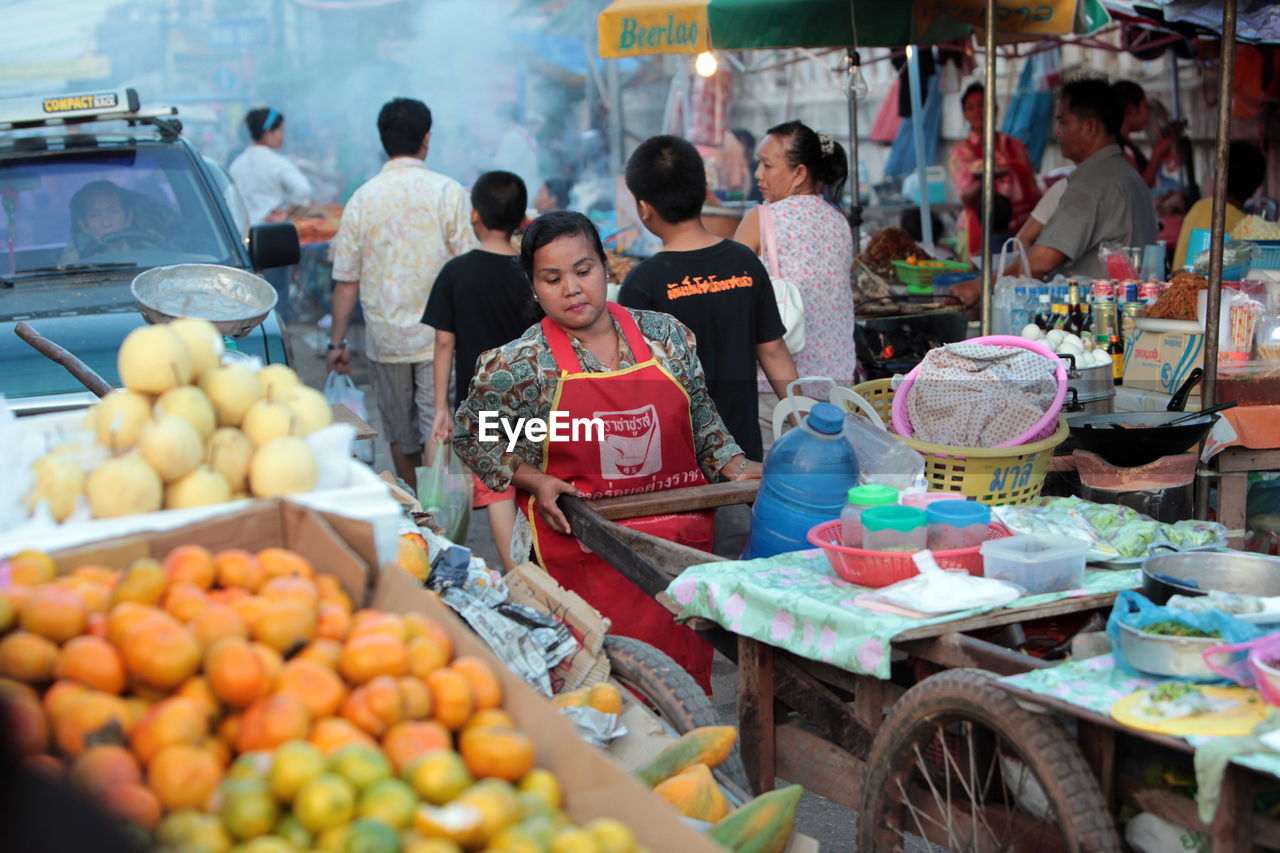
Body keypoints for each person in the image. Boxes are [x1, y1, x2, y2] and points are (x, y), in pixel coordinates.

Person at [452, 211, 762, 689]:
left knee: (680, 689)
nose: (572, 289)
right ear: (534, 288)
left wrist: (739, 467)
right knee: (599, 690)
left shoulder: (666, 337)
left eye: (584, 270)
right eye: (552, 279)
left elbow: (700, 418)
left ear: (605, 268)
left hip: (673, 548)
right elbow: (478, 434)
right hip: (581, 553)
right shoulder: (520, 364)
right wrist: (533, 478)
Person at [618, 135, 797, 464]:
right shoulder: (744, 262)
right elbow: (773, 350)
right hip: (743, 453)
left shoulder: (643, 282)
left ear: (644, 208)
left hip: (675, 461)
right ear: (704, 192)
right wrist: (804, 424)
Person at [328, 97, 477, 489]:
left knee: (400, 431)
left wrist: (336, 343)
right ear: (426, 139)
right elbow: (468, 265)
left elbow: (346, 280)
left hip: (385, 339)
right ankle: (439, 518)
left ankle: (417, 512)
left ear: (383, 141)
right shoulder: (449, 193)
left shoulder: (362, 198)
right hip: (439, 338)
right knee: (437, 424)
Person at [957, 78, 1157, 300]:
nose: (1058, 133)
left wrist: (980, 287)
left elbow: (1042, 260)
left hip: (1095, 315)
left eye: (1064, 123)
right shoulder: (1128, 175)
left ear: (1090, 127)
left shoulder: (1091, 184)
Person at [423, 171, 532, 572]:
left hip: (484, 405)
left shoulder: (456, 272)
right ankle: (539, 569)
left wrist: (440, 408)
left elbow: (444, 343)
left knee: (499, 488)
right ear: (522, 219)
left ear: (475, 216)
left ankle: (517, 574)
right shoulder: (532, 271)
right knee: (532, 477)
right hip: (533, 398)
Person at [733, 120, 857, 445]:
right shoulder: (839, 221)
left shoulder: (761, 219)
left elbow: (728, 292)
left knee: (777, 487)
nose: (758, 174)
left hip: (777, 391)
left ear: (799, 173)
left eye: (767, 164)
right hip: (837, 387)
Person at [946, 83, 1041, 259]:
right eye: (971, 107)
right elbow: (966, 196)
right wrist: (986, 177)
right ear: (965, 114)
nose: (978, 111)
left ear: (995, 108)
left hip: (1023, 227)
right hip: (981, 230)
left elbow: (1033, 187)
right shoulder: (961, 151)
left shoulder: (1016, 146)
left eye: (983, 104)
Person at [1173, 141, 1266, 270]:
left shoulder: (1199, 206)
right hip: (1203, 288)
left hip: (1176, 286)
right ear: (1256, 186)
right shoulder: (1244, 225)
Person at [228, 107, 312, 224]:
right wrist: (286, 213)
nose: (283, 137)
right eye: (281, 131)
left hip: (244, 233)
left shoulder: (236, 165)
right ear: (268, 133)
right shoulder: (277, 162)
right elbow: (303, 190)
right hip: (272, 231)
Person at [61, 180, 168, 261]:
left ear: (128, 218)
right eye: (95, 215)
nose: (106, 223)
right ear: (83, 225)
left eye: (113, 211)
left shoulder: (149, 246)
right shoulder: (75, 259)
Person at [1113, 81, 1181, 190]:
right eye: (1145, 107)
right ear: (1131, 109)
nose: (1147, 114)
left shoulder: (1125, 145)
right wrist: (1157, 154)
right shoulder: (1117, 146)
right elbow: (1139, 186)